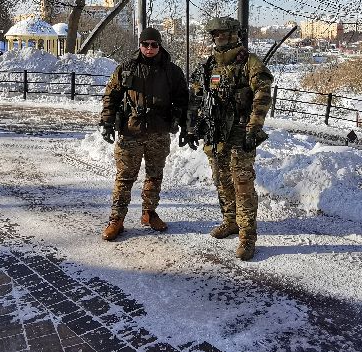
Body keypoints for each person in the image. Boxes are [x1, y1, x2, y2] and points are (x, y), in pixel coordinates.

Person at [183, 16, 273, 261]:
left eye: (223, 34)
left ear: (235, 35)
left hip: (240, 133)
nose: (218, 38)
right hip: (215, 134)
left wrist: (253, 128)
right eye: (215, 35)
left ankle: (247, 236)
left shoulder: (249, 63)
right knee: (221, 181)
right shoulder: (209, 65)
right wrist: (191, 128)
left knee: (242, 185)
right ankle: (230, 221)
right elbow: (195, 97)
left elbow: (263, 96)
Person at [99, 27, 188, 241]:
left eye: (154, 45)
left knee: (154, 175)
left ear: (160, 46)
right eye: (145, 44)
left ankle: (149, 213)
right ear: (140, 45)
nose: (149, 48)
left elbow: (184, 100)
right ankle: (116, 220)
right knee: (125, 177)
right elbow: (111, 96)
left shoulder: (172, 72)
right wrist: (107, 121)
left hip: (159, 132)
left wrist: (186, 125)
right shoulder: (127, 69)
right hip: (131, 131)